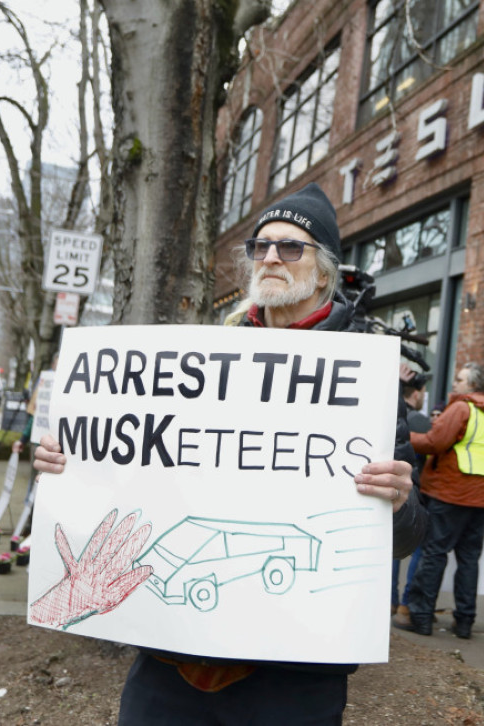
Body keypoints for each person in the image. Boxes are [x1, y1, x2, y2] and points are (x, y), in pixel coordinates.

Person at [32, 182, 427, 726]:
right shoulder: (205, 357)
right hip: (171, 661)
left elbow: (409, 534)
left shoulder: (366, 377)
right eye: (260, 246)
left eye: (291, 247)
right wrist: (71, 465)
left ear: (325, 269)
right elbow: (142, 471)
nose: (270, 257)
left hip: (291, 674)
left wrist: (398, 501)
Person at [395, 362, 484, 639]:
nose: (455, 384)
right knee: (469, 560)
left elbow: (435, 442)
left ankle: (421, 617)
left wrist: (402, 436)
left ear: (473, 385)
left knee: (434, 554)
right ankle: (465, 622)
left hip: (450, 493)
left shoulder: (462, 407)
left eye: (460, 379)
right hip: (482, 499)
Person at [392, 366, 431, 616]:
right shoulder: (418, 421)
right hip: (418, 494)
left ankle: (390, 600)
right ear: (416, 393)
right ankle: (401, 603)